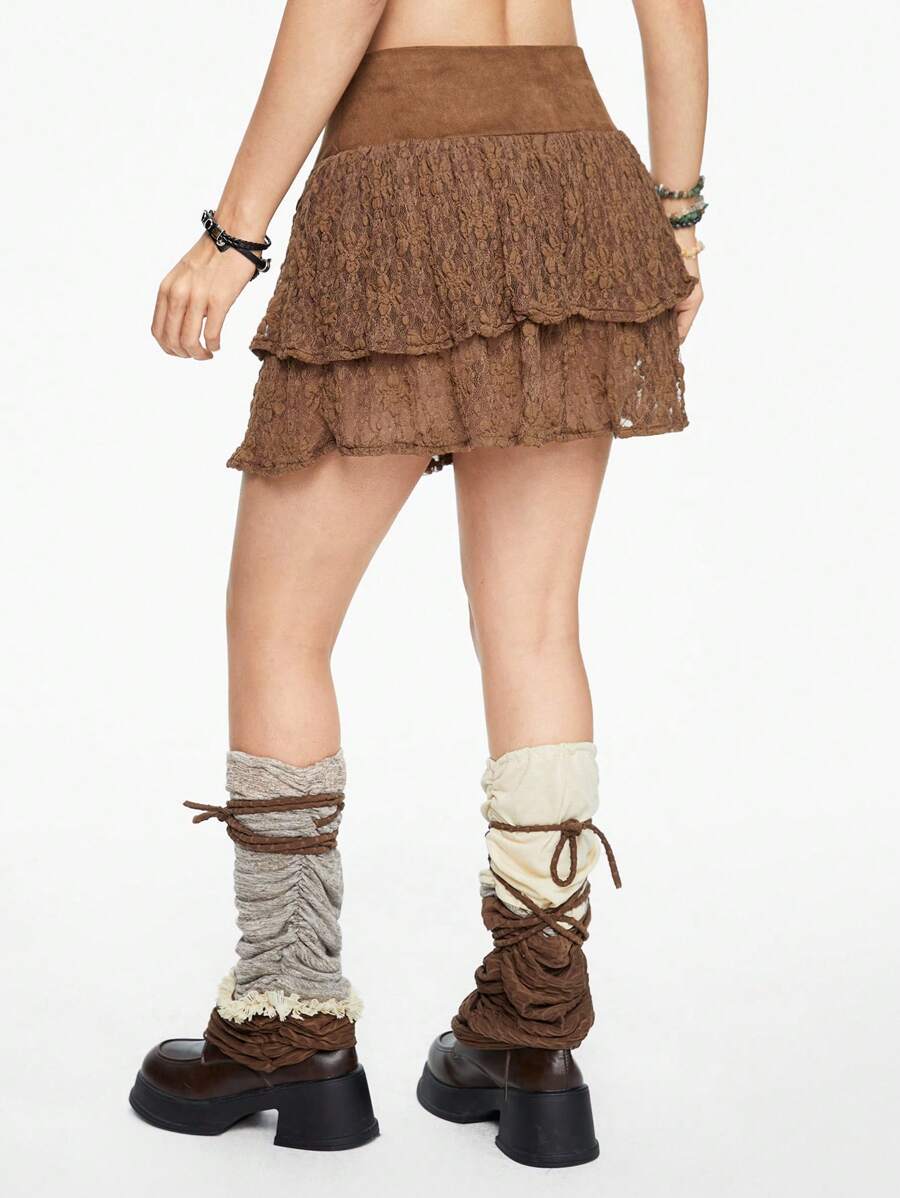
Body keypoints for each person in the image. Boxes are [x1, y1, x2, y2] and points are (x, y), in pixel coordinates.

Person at [130, 0, 708, 1169]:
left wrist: (233, 235)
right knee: (535, 626)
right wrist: (677, 216)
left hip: (400, 189)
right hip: (577, 177)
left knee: (279, 630)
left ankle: (289, 1021)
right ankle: (532, 1037)